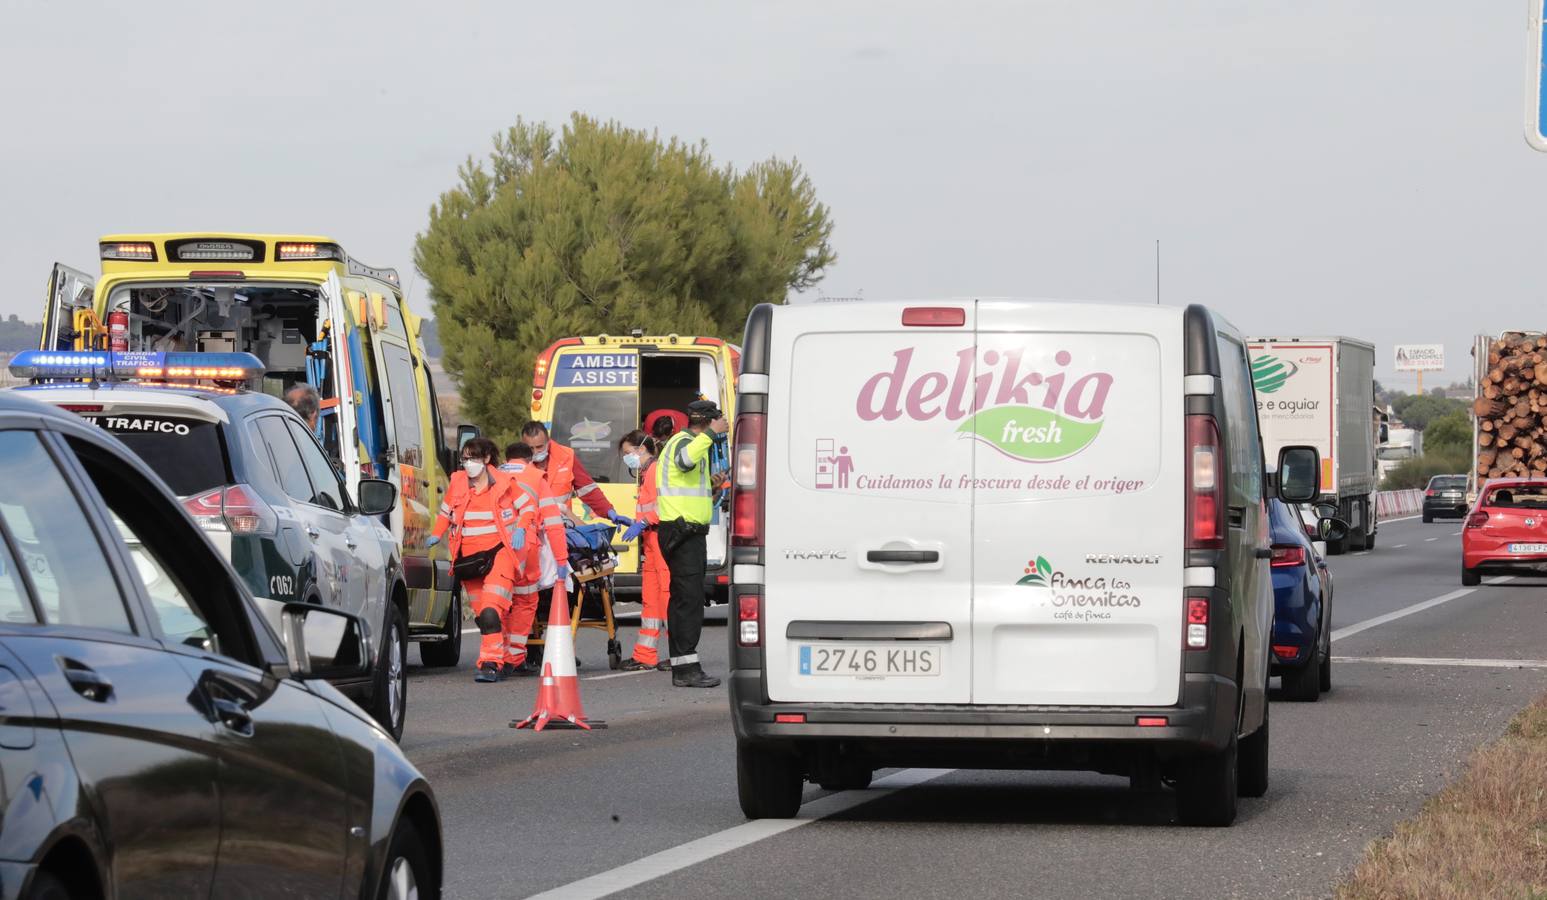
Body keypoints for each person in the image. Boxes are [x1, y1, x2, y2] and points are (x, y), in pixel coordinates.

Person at [427, 437, 540, 683]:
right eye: (464, 459)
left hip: (501, 553)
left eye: (473, 458)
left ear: (487, 459)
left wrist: (521, 528)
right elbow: (446, 513)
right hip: (470, 560)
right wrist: (436, 534)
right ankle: (507, 657)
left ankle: (490, 663)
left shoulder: (504, 483)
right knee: (485, 618)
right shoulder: (457, 483)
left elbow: (528, 507)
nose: (468, 463)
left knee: (490, 612)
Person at [656, 399, 728, 688]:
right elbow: (683, 461)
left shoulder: (694, 446)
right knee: (689, 601)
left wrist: (711, 485)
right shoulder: (683, 442)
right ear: (708, 422)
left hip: (689, 532)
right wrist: (711, 435)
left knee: (686, 599)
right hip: (682, 532)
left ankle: (683, 665)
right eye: (717, 424)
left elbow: (687, 485)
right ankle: (686, 669)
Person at [501, 442, 571, 672]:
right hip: (526, 547)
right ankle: (514, 657)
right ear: (530, 459)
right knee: (525, 600)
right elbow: (553, 523)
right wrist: (561, 560)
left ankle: (495, 655)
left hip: (493, 547)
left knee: (498, 602)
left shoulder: (493, 474)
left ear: (507, 458)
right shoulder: (535, 477)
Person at [616, 430, 671, 672]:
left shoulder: (657, 470)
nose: (627, 458)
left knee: (668, 597)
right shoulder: (646, 472)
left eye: (628, 453)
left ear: (641, 449)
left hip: (660, 539)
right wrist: (637, 522)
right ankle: (645, 654)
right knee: (651, 600)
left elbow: (666, 503)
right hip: (651, 541)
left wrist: (643, 521)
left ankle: (679, 654)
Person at [520, 421, 633, 529]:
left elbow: (588, 489)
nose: (535, 452)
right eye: (530, 448)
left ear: (548, 442)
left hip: (562, 529)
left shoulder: (566, 457)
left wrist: (609, 512)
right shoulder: (518, 464)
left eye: (539, 447)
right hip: (532, 530)